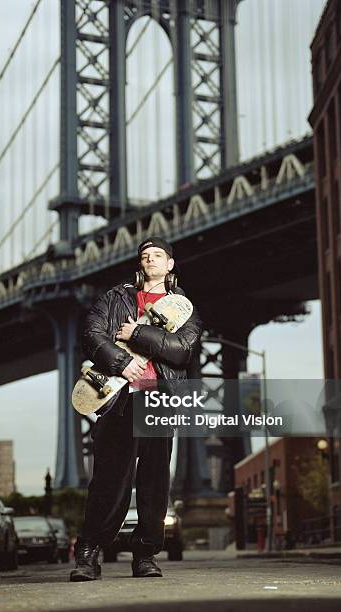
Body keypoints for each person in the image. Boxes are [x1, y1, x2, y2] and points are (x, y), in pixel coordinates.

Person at [70, 236, 202, 582]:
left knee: (155, 482)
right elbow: (91, 334)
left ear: (170, 264)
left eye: (158, 255)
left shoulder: (183, 307)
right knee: (110, 480)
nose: (151, 260)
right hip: (120, 398)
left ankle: (145, 554)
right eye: (145, 255)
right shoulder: (115, 299)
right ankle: (88, 553)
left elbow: (182, 351)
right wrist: (120, 361)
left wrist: (138, 333)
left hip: (159, 398)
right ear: (139, 263)